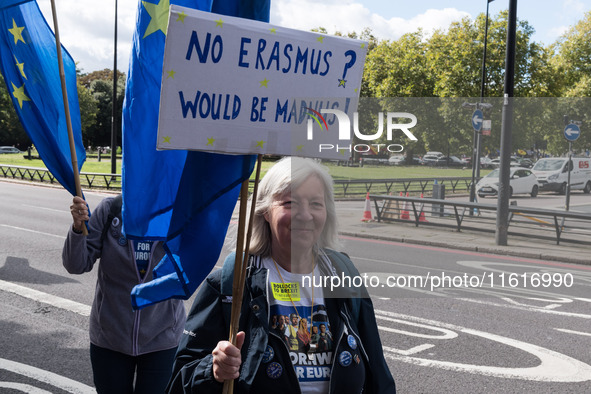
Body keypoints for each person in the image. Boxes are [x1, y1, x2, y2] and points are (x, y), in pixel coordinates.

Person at [167, 157, 396, 393]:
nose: (305, 215)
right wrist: (213, 370)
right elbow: (180, 379)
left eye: (316, 203)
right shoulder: (232, 283)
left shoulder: (344, 276)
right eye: (290, 203)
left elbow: (377, 372)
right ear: (266, 211)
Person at [62, 194, 186, 394]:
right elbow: (76, 265)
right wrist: (78, 229)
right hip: (110, 339)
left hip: (162, 339)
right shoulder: (111, 209)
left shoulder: (179, 212)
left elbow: (191, 268)